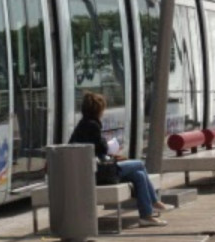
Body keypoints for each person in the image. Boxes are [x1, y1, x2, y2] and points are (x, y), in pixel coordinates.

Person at [68, 91, 171, 227]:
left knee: (139, 175)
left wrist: (110, 154)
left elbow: (95, 150)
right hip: (99, 173)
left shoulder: (83, 125)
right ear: (98, 110)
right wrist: (109, 148)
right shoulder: (92, 125)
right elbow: (102, 148)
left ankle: (146, 216)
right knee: (139, 164)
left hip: (95, 170)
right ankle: (154, 202)